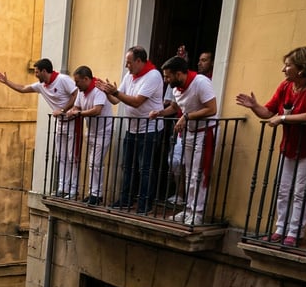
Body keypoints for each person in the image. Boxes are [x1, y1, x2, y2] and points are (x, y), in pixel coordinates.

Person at [236, 46, 306, 245]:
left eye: (288, 65)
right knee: (283, 189)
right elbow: (268, 113)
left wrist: (283, 118)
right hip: (288, 147)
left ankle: (294, 233)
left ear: (302, 68)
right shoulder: (285, 86)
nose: (283, 70)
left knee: (301, 191)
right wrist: (254, 106)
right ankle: (280, 229)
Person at [150, 56, 218, 225]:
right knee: (188, 173)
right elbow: (174, 107)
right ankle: (188, 209)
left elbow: (212, 109)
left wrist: (187, 117)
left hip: (205, 131)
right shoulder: (176, 89)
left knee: (198, 173)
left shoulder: (201, 83)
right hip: (189, 132)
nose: (165, 80)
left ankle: (198, 212)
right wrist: (159, 113)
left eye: (168, 76)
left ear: (179, 74)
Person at [97, 46, 165, 213]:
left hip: (150, 129)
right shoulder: (130, 76)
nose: (126, 66)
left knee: (145, 168)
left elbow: (136, 101)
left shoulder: (153, 76)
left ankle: (145, 203)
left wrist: (116, 92)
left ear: (139, 61)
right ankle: (126, 199)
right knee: (127, 166)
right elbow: (115, 100)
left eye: (129, 62)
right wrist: (106, 92)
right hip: (133, 128)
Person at [0, 59, 78, 198]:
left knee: (72, 157)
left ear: (44, 71)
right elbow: (23, 88)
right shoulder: (42, 86)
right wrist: (7, 82)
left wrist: (64, 109)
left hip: (73, 121)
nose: (35, 75)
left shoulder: (63, 79)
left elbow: (76, 94)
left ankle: (73, 190)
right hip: (60, 122)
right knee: (61, 156)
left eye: (37, 72)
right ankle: (62, 187)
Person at [68, 66, 114, 206]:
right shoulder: (82, 93)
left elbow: (97, 110)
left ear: (86, 79)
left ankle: (96, 194)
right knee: (92, 163)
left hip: (103, 131)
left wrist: (79, 114)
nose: (76, 85)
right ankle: (93, 192)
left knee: (96, 163)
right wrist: (73, 110)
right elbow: (77, 107)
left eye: (78, 81)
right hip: (91, 131)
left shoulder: (98, 90)